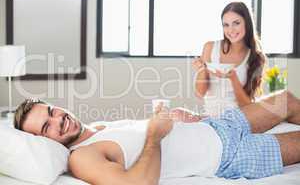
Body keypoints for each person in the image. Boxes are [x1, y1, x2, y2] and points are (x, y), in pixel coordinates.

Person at [14, 90, 300, 185]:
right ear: (44, 141)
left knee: (286, 100)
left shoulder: (97, 127)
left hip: (216, 126)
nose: (57, 120)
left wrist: (176, 117)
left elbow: (147, 131)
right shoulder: (81, 157)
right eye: (46, 127)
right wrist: (155, 135)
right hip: (229, 155)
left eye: (51, 111)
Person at [173, 1, 266, 120]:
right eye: (226, 25)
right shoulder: (210, 47)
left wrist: (233, 78)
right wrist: (202, 70)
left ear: (247, 23)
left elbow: (247, 106)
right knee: (175, 113)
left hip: (238, 119)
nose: (230, 30)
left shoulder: (256, 57)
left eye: (236, 23)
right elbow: (200, 93)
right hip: (210, 117)